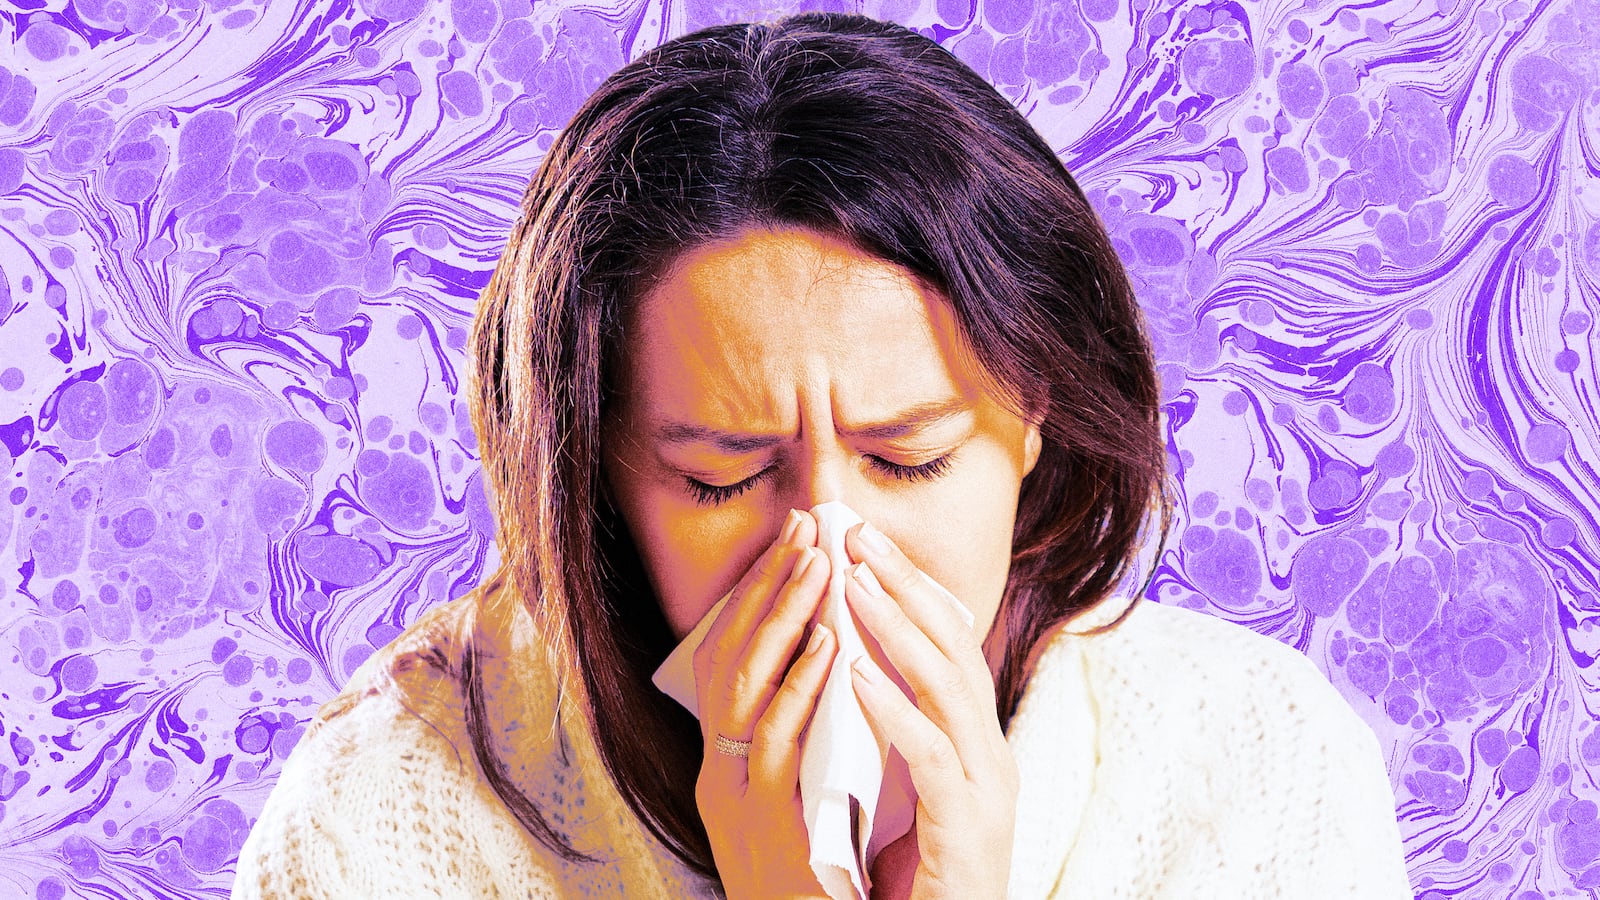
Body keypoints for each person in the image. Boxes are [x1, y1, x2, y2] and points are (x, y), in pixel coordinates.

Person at [233, 12, 1412, 899]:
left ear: (1033, 419)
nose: (832, 553)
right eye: (722, 480)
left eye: (911, 460)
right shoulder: (384, 813)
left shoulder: (1259, 765)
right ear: (597, 476)